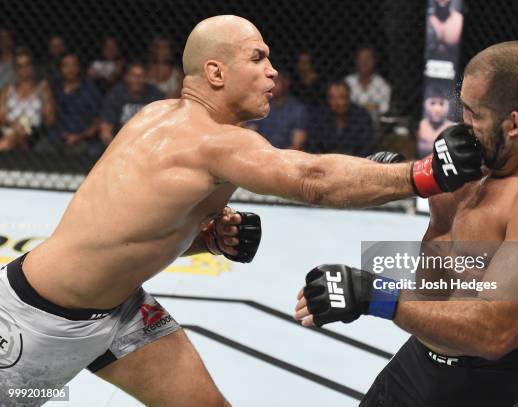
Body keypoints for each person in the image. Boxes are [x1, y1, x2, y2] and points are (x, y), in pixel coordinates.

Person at [0, 15, 483, 407]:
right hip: (35, 321)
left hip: (121, 309)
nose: (273, 71)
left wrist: (205, 240)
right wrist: (423, 174)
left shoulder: (159, 115)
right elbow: (311, 179)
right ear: (215, 73)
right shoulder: (211, 142)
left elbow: (129, 234)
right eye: (258, 58)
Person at [295, 41, 518, 406]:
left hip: (506, 379)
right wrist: (404, 176)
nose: (464, 124)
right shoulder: (493, 146)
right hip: (427, 356)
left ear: (515, 123)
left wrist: (376, 295)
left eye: (473, 113)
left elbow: (495, 332)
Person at [42, 53, 102, 154]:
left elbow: (97, 122)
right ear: (60, 68)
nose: (70, 69)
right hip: (55, 138)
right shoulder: (55, 88)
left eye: (73, 65)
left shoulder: (90, 90)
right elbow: (48, 120)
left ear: (79, 67)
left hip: (82, 139)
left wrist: (78, 136)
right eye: (66, 65)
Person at [0, 50, 55, 151]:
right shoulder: (7, 88)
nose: (24, 69)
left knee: (13, 138)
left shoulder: (43, 88)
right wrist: (14, 124)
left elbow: (50, 119)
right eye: (20, 66)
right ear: (16, 69)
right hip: (9, 128)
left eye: (27, 65)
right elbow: (1, 116)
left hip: (33, 132)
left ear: (33, 67)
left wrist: (27, 125)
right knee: (12, 136)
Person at [99, 61, 164, 145]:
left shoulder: (154, 94)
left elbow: (163, 124)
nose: (137, 80)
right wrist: (115, 148)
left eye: (141, 76)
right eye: (134, 76)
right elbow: (105, 128)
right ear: (127, 77)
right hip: (120, 142)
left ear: (146, 78)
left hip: (148, 141)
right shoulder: (116, 94)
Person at [306, 81, 375, 157]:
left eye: (341, 97)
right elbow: (313, 146)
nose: (337, 102)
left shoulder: (362, 117)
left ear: (348, 98)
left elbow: (366, 148)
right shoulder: (319, 117)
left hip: (355, 163)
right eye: (332, 98)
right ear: (327, 99)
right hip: (326, 163)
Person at [250, 69, 307, 150]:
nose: (272, 84)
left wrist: (277, 158)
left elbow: (297, 145)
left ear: (286, 82)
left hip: (286, 157)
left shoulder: (297, 110)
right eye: (270, 80)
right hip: (261, 153)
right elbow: (251, 133)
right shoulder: (261, 104)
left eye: (276, 81)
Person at [344, 46, 392, 123]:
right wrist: (371, 107)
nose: (364, 61)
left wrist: (357, 107)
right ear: (356, 61)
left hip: (373, 125)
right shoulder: (348, 82)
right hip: (350, 124)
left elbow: (384, 110)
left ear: (374, 61)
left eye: (368, 58)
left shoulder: (382, 85)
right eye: (361, 58)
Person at [417, 86, 454, 156]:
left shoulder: (452, 128)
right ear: (425, 105)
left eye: (441, 104)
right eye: (433, 103)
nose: (437, 109)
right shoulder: (419, 126)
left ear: (447, 106)